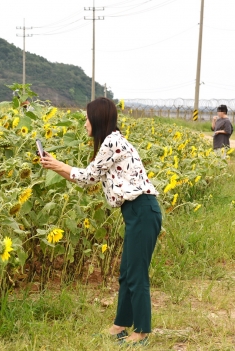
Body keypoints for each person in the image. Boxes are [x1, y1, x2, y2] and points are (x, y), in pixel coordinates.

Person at [39, 97, 162, 345]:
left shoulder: (111, 142)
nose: (84, 124)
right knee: (126, 273)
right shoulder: (113, 141)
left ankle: (142, 333)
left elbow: (88, 177)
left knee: (136, 274)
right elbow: (89, 178)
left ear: (97, 119)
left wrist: (58, 165)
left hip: (142, 211)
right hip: (138, 212)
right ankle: (120, 326)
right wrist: (56, 167)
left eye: (86, 118)